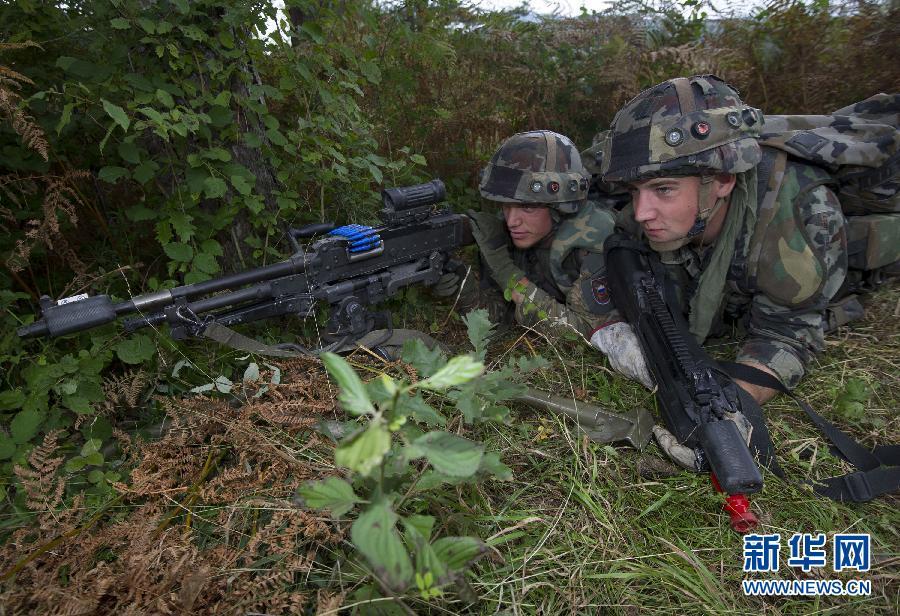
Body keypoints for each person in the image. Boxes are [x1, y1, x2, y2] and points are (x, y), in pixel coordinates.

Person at [590, 75, 849, 406]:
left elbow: (786, 334)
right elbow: (618, 248)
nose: (641, 212)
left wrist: (736, 401)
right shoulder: (657, 211)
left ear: (723, 180)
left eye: (663, 189)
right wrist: (614, 331)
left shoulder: (795, 220)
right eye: (634, 191)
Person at [436, 130, 617, 339]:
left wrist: (509, 275)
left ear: (559, 207)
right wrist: (464, 289)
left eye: (527, 207)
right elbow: (501, 321)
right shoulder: (513, 233)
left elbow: (582, 335)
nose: (512, 221)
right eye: (506, 206)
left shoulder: (594, 240)